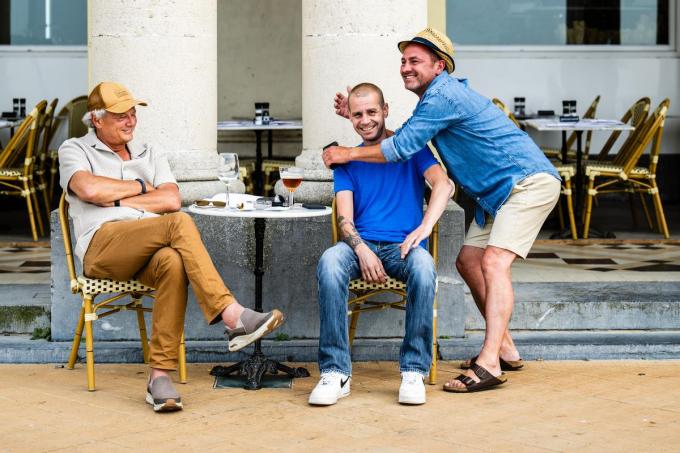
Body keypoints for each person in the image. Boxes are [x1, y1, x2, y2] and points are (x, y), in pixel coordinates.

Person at [323, 28, 561, 393]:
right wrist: (358, 119)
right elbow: (397, 138)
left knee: (494, 262)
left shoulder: (443, 96)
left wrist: (348, 152)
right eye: (403, 60)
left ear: (439, 65)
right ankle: (506, 348)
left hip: (526, 183)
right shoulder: (433, 100)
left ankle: (490, 362)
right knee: (468, 261)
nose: (405, 67)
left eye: (415, 61)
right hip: (496, 195)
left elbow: (400, 147)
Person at [59, 82, 284, 412]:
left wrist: (117, 197)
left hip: (148, 247)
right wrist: (138, 186)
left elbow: (171, 198)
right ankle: (232, 314)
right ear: (96, 119)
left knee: (173, 262)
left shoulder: (150, 152)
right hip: (103, 247)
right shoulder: (75, 149)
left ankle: (159, 377)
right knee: (179, 224)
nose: (131, 121)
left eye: (133, 113)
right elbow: (88, 189)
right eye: (121, 115)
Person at [309, 83, 453, 406]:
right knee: (330, 261)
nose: (365, 120)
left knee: (424, 265)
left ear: (385, 111)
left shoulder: (411, 147)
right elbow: (345, 220)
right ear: (349, 117)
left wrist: (423, 228)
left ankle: (413, 369)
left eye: (372, 112)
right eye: (357, 114)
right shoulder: (345, 161)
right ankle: (335, 372)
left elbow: (443, 184)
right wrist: (360, 248)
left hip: (403, 247)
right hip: (362, 247)